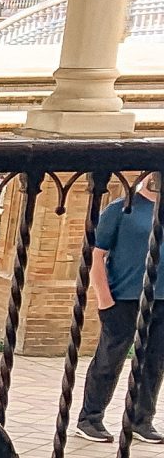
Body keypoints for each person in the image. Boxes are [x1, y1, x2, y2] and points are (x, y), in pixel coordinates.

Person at [76, 172, 164, 444]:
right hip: (123, 298)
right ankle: (90, 418)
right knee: (109, 360)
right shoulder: (121, 207)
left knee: (154, 363)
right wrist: (104, 298)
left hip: (161, 299)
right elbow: (98, 254)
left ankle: (141, 420)